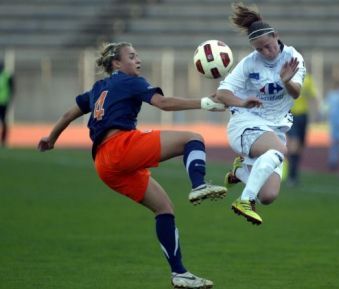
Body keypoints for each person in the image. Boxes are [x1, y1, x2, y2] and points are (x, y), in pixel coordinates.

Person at [37, 42, 236, 288]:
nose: (137, 60)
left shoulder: (99, 87)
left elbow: (70, 114)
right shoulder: (130, 81)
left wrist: (51, 138)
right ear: (116, 64)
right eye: (131, 56)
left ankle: (180, 274)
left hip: (104, 164)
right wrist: (206, 102)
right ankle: (198, 184)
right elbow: (163, 103)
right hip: (120, 147)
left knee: (164, 208)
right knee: (193, 138)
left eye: (137, 56)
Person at [217, 3, 305, 225]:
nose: (266, 52)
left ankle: (239, 172)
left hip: (275, 128)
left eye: (268, 46)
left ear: (276, 36)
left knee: (267, 196)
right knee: (280, 150)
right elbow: (222, 93)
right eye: (259, 49)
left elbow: (296, 93)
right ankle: (244, 200)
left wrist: (286, 81)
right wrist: (242, 102)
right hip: (246, 124)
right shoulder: (249, 64)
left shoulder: (293, 57)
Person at [286, 72, 318, 186]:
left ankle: (294, 175)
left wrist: (317, 113)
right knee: (293, 145)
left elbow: (313, 96)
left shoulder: (307, 79)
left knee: (300, 146)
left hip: (303, 115)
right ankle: (291, 176)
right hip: (292, 115)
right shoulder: (288, 78)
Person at [0, 61, 14, 147]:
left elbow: (12, 87)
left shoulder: (7, 75)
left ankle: (3, 140)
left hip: (4, 102)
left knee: (4, 121)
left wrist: (10, 98)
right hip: (4, 101)